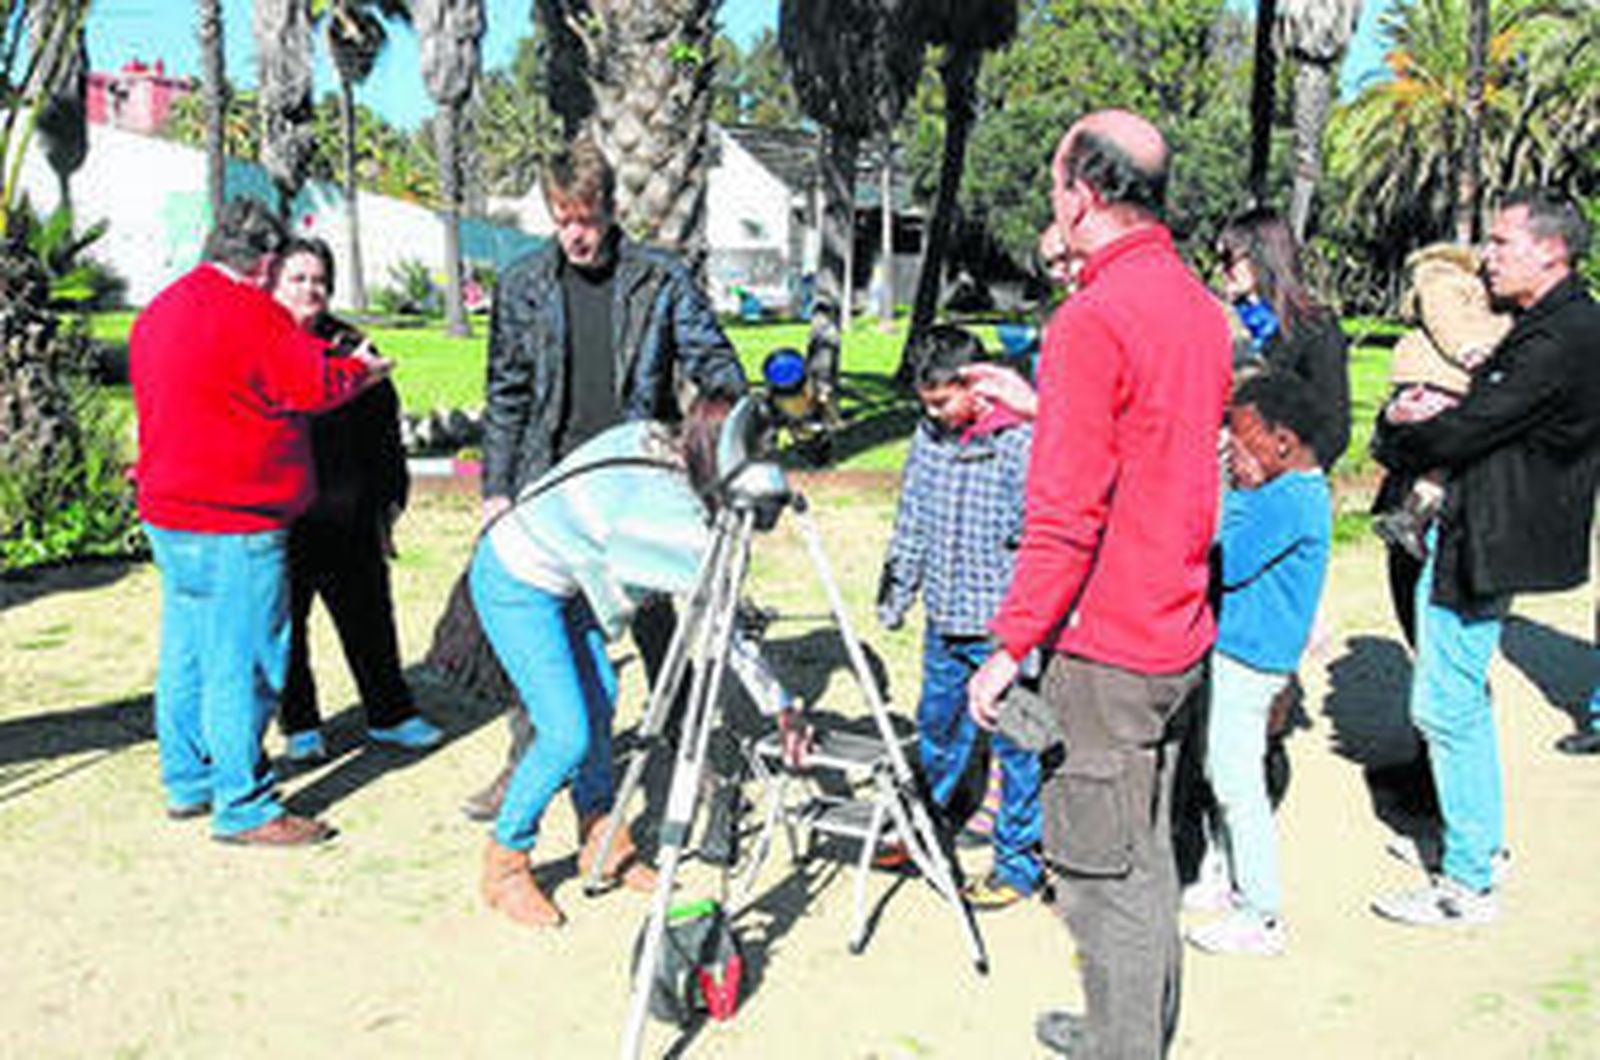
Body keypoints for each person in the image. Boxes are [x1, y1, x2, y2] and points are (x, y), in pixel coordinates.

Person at [966, 110, 1233, 1059]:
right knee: (1149, 852)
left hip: (1108, 650)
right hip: (1177, 636)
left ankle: (1126, 1045)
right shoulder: (1201, 309)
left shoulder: (1094, 318)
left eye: (1056, 192)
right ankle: (1126, 1028)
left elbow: (1067, 512)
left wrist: (1006, 649)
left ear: (1081, 197)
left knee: (1098, 877)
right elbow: (1159, 450)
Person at [445, 137, 746, 818]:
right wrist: (496, 489)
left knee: (656, 626)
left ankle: (685, 755)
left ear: (609, 208)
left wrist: (715, 439)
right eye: (561, 218)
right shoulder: (524, 284)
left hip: (634, 482)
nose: (574, 234)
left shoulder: (659, 279)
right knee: (542, 628)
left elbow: (716, 365)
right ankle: (526, 763)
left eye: (584, 218)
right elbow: (507, 395)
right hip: (549, 483)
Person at [1370, 190, 1600, 925]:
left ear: (1550, 251)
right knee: (1454, 692)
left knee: (1445, 700)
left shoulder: (1559, 336)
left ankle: (1468, 881)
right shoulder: (1549, 326)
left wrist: (1398, 431)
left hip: (1488, 531)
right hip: (1490, 524)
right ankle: (1478, 843)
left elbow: (1471, 428)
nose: (1487, 257)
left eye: (1502, 243)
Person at [131, 197, 388, 846]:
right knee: (243, 660)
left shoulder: (160, 309)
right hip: (236, 519)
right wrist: (360, 372)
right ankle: (244, 802)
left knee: (187, 652)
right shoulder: (253, 315)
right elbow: (308, 385)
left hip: (169, 514)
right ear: (267, 262)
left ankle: (187, 778)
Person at [471, 399, 730, 927]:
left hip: (567, 580)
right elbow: (709, 602)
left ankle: (602, 839)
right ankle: (505, 866)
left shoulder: (656, 440)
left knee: (601, 699)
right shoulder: (662, 503)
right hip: (515, 581)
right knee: (565, 732)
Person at [877, 325, 1041, 909]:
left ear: (976, 386)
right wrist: (898, 592)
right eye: (926, 403)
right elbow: (912, 517)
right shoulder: (928, 438)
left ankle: (1019, 862)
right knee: (939, 729)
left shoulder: (1020, 443)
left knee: (1022, 747)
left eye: (943, 401)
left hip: (1006, 634)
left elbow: (1045, 541)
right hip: (944, 623)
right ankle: (931, 830)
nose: (935, 413)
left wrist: (1026, 635)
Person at [269, 237, 442, 763]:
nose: (310, 289)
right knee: (286, 629)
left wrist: (389, 503)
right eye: (297, 279)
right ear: (274, 284)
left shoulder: (351, 345)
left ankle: (391, 713)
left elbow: (384, 434)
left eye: (318, 279)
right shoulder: (261, 343)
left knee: (370, 619)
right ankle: (300, 723)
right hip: (284, 517)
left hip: (349, 514)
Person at [1184, 373, 1331, 958]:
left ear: (1283, 443)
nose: (1232, 455)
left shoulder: (1285, 498)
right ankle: (1223, 872)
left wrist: (1233, 488)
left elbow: (1231, 558)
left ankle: (1261, 912)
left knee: (1236, 781)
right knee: (1224, 770)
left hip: (1251, 659)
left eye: (1242, 445)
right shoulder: (1286, 489)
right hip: (1242, 653)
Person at [1216, 208, 1351, 469]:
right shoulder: (1219, 324)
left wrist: (1281, 470)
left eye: (1229, 258)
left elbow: (1334, 429)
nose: (1222, 269)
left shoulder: (1315, 329)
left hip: (1283, 484)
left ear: (1262, 257)